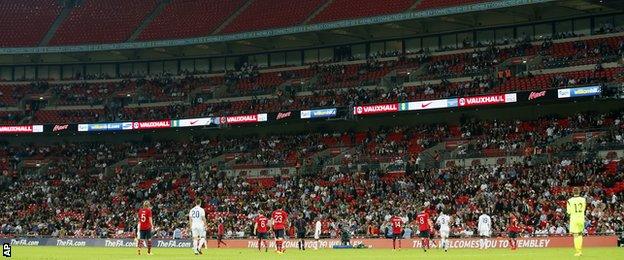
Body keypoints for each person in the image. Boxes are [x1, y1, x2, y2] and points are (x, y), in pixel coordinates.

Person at [567, 187, 586, 257]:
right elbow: (583, 209)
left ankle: (578, 251)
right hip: (581, 218)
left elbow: (568, 212)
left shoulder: (569, 200)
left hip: (574, 219)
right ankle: (580, 251)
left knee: (575, 235)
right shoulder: (583, 199)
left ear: (572, 192)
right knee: (580, 234)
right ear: (579, 192)